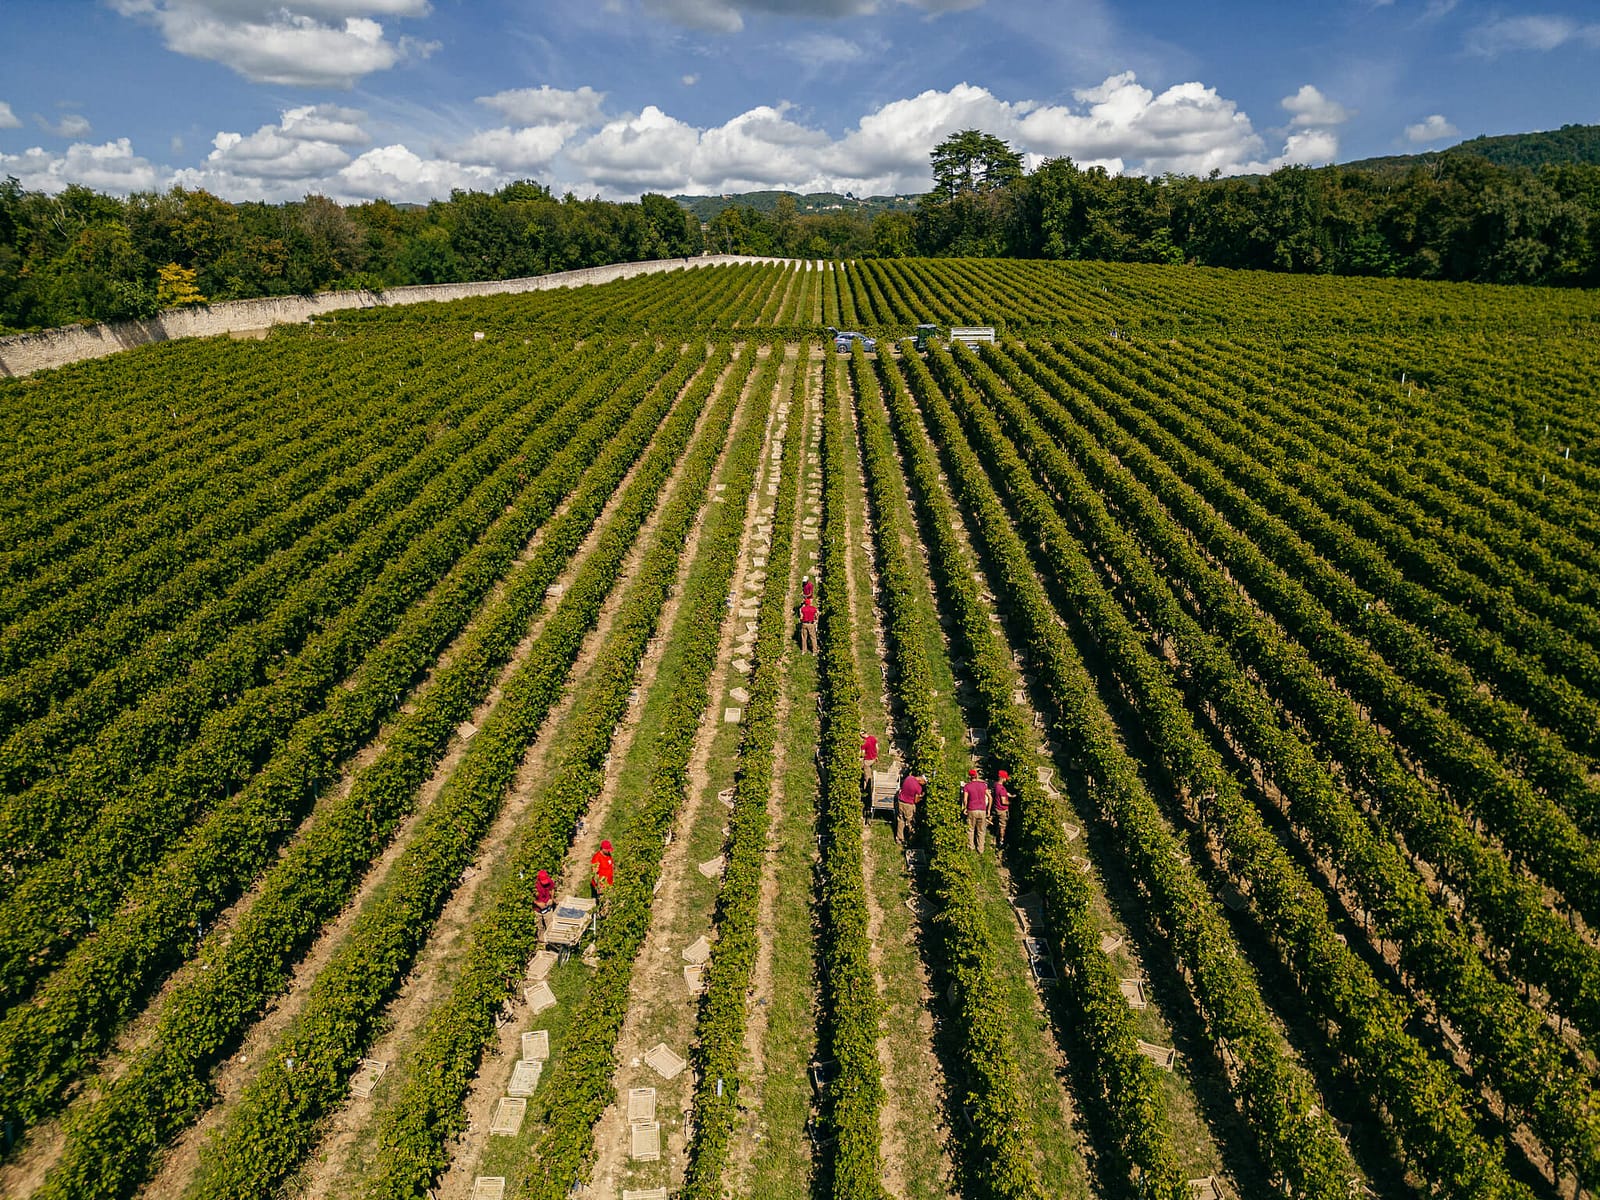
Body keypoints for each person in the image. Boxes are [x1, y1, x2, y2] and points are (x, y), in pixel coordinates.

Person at [963, 768, 991, 851]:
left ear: (969, 777)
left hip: (972, 809)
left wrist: (965, 808)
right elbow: (990, 797)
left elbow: (965, 799)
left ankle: (971, 847)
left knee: (970, 829)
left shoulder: (967, 786)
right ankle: (980, 848)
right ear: (977, 775)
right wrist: (988, 809)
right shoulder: (983, 785)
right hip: (982, 810)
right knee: (981, 831)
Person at [895, 770, 924, 846]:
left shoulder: (909, 778)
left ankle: (899, 838)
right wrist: (921, 797)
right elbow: (916, 800)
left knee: (900, 820)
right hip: (909, 805)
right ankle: (911, 840)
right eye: (924, 783)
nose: (924, 785)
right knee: (910, 822)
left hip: (900, 802)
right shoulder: (918, 788)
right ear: (921, 780)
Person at [992, 769, 1011, 846]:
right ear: (1002, 778)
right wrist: (1010, 803)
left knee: (998, 823)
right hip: (1002, 810)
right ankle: (1001, 841)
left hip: (996, 807)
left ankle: (996, 835)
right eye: (1005, 778)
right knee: (1003, 825)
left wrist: (1008, 795)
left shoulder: (996, 785)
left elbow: (1001, 794)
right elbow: (1003, 801)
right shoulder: (1002, 789)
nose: (1006, 779)